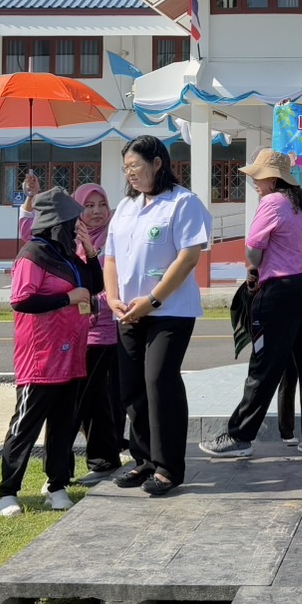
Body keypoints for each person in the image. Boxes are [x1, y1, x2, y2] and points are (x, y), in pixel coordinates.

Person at [200, 148, 302, 459]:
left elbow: (254, 250)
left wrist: (254, 270)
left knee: (264, 364)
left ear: (272, 179)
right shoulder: (299, 202)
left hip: (281, 290)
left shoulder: (272, 202)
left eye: (258, 178)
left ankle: (240, 436)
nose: (254, 183)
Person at [106, 135, 212, 497]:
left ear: (157, 163)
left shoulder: (183, 203)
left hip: (170, 311)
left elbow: (189, 257)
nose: (130, 173)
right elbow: (111, 258)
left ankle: (168, 467)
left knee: (158, 381)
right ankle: (144, 459)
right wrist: (113, 299)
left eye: (136, 165)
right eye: (126, 168)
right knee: (133, 387)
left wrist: (152, 300)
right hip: (128, 312)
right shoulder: (126, 207)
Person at [0, 188, 102, 516]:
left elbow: (94, 285)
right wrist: (67, 299)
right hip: (40, 357)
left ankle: (57, 485)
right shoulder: (33, 254)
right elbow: (21, 299)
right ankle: (7, 492)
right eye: (73, 223)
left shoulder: (68, 255)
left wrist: (90, 251)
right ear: (58, 225)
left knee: (63, 425)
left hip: (71, 355)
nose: (77, 228)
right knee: (25, 424)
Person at [69, 183, 125, 480]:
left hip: (109, 330)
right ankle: (105, 457)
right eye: (89, 206)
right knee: (92, 399)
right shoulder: (71, 241)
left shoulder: (116, 237)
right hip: (78, 332)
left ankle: (104, 459)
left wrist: (93, 302)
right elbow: (28, 231)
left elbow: (119, 282)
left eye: (102, 204)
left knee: (104, 398)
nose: (97, 211)